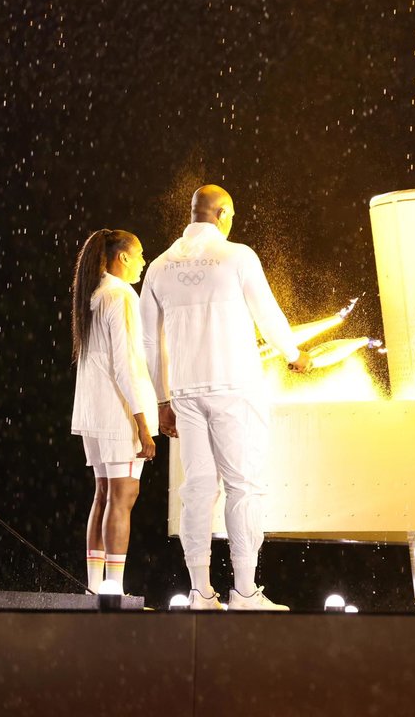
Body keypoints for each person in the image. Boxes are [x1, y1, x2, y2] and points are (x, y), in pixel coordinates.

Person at [140, 185, 310, 611]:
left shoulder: (159, 267)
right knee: (244, 488)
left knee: (197, 490)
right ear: (224, 213)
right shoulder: (238, 256)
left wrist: (162, 400)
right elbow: (266, 312)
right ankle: (246, 592)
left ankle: (200, 592)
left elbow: (147, 341)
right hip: (234, 387)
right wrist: (293, 353)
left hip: (185, 392)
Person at [71, 229, 158, 596]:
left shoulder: (92, 295)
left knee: (104, 494)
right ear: (122, 257)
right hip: (119, 413)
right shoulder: (121, 296)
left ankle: (95, 589)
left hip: (93, 412)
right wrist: (142, 423)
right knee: (122, 497)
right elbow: (125, 365)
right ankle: (114, 590)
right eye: (139, 255)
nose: (142, 262)